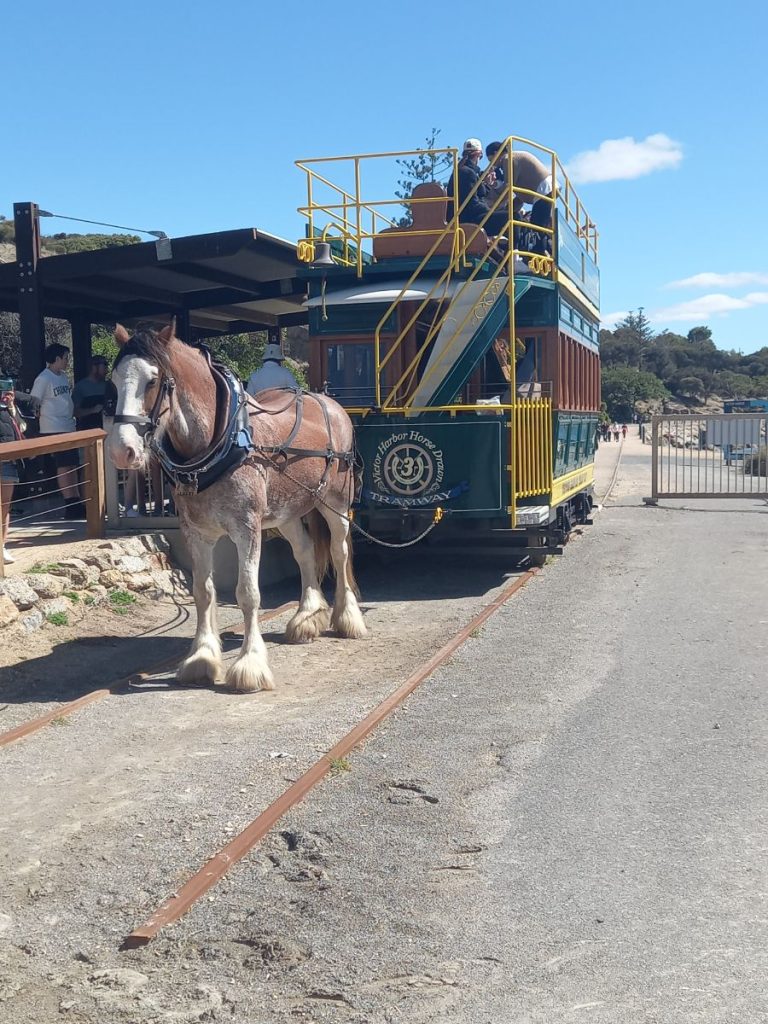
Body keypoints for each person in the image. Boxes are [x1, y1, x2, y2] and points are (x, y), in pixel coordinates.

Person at [30, 343, 83, 519]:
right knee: (64, 465)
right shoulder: (44, 378)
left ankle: (76, 499)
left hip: (68, 426)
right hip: (54, 428)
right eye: (66, 358)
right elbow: (34, 402)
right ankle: (70, 503)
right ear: (57, 358)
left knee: (72, 465)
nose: (68, 361)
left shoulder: (63, 377)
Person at [446, 139, 508, 237]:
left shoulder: (462, 171)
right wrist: (491, 212)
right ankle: (515, 249)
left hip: (465, 217)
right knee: (513, 217)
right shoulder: (468, 173)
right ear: (478, 155)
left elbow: (473, 196)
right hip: (469, 219)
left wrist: (487, 184)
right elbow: (472, 204)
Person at [1, 383, 25, 564]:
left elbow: (21, 427)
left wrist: (11, 407)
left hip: (9, 461)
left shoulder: (8, 409)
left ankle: (2, 546)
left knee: (4, 506)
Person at [72, 355, 108, 430]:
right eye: (104, 365)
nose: (106, 370)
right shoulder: (81, 387)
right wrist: (93, 410)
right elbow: (74, 412)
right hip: (88, 430)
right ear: (94, 367)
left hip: (106, 430)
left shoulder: (108, 386)